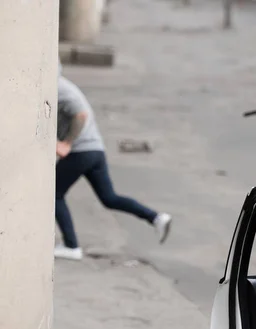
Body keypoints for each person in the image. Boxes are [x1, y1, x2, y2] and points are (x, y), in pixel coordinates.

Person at [54, 73, 172, 261]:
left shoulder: (57, 87)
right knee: (109, 198)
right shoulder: (62, 84)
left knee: (54, 193)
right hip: (95, 150)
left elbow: (80, 115)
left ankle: (71, 246)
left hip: (81, 151)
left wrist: (67, 143)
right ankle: (156, 218)